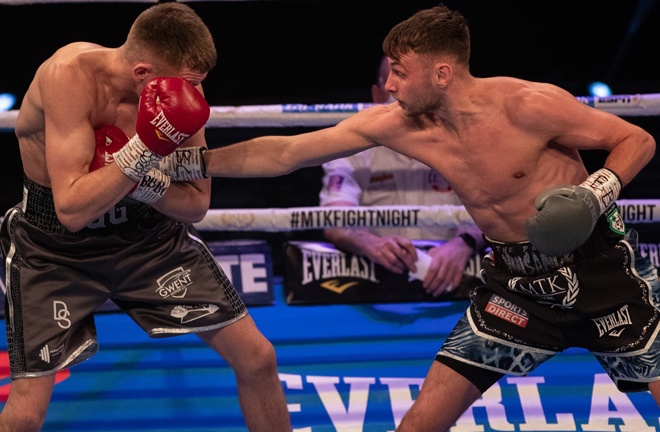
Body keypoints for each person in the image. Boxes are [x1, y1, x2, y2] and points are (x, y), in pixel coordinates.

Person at [200, 4, 660, 430]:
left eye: (400, 72)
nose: (391, 85)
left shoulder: (528, 105)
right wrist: (192, 164)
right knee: (418, 425)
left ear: (442, 73)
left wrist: (591, 197)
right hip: (515, 289)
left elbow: (637, 140)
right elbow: (286, 152)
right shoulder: (400, 124)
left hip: (603, 273)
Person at [0, 3, 290, 431]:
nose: (192, 96)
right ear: (142, 74)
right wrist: (143, 151)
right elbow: (72, 210)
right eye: (187, 84)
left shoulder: (183, 96)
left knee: (259, 358)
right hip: (55, 247)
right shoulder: (69, 76)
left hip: (148, 237)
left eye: (198, 86)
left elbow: (194, 205)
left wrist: (149, 183)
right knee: (25, 414)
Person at [319, 56, 484, 296]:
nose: (404, 93)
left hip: (456, 285)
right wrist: (369, 243)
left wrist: (464, 244)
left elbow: (494, 209)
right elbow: (336, 220)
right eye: (394, 80)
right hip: (376, 288)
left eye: (413, 81)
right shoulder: (350, 150)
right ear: (377, 95)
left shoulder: (466, 144)